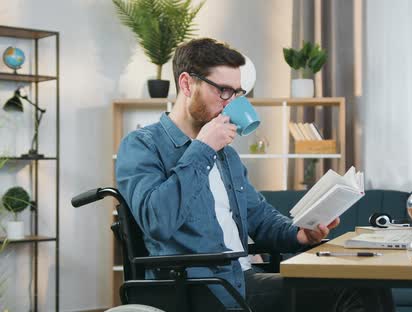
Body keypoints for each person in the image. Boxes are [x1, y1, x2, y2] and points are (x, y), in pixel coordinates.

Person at [116, 38, 394, 312]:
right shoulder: (142, 146)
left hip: (242, 281)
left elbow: (259, 217)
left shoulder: (226, 155)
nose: (231, 103)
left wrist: (300, 235)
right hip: (198, 288)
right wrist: (202, 148)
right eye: (223, 90)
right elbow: (157, 221)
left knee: (365, 282)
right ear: (187, 84)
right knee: (353, 289)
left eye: (237, 93)